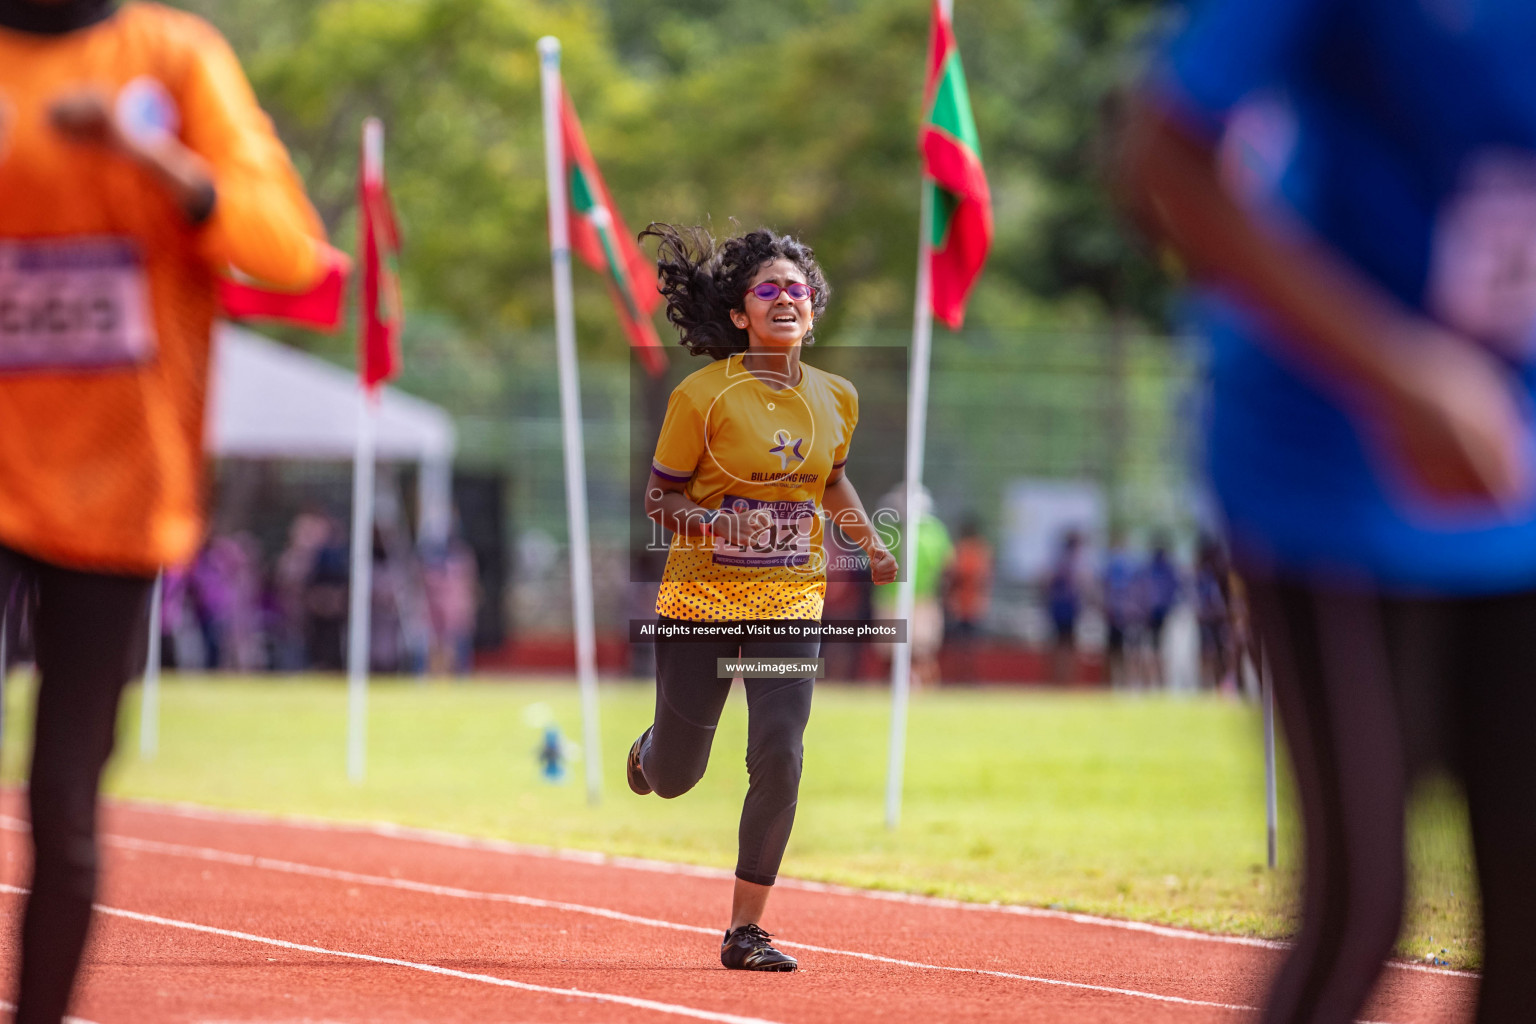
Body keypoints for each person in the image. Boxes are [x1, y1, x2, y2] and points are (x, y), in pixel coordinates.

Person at [1120, 2, 1536, 1020]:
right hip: (1326, 460)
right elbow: (1159, 160)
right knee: (1363, 904)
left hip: (1512, 459)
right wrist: (1396, 375)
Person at [0, 2, 331, 1019]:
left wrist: (147, 154)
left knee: (65, 802)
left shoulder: (176, 60)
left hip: (118, 499)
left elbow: (286, 249)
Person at [628, 224, 897, 972]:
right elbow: (660, 497)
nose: (786, 298)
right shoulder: (702, 394)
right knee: (678, 776)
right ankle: (651, 754)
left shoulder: (837, 397)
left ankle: (745, 931)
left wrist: (868, 542)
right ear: (740, 313)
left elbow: (832, 479)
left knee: (779, 752)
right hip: (700, 608)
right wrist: (716, 524)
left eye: (797, 289)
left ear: (814, 311)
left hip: (789, 605)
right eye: (768, 289)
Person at [872, 483, 953, 688]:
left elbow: (946, 565)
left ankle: (924, 687)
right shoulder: (887, 529)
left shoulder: (934, 531)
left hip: (921, 597)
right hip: (890, 596)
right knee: (890, 650)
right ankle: (892, 687)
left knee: (921, 649)